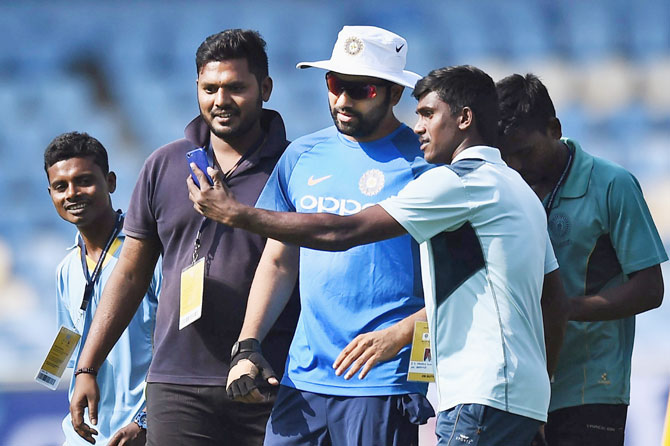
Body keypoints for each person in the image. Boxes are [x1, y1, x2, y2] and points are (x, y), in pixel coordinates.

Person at [188, 65, 567, 446]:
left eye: (428, 114)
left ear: (465, 119)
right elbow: (553, 298)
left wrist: (237, 213)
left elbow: (344, 231)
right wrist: (538, 396)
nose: (418, 127)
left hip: (478, 389)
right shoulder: (518, 189)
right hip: (517, 397)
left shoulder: (456, 182)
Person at [193, 25, 435, 446]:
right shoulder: (302, 154)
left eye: (363, 90)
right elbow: (278, 260)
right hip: (302, 378)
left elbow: (465, 276)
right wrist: (248, 345)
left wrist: (407, 332)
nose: (342, 100)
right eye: (336, 84)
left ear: (396, 93)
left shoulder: (427, 162)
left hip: (382, 378)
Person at [69, 29, 300, 446]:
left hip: (270, 377)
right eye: (209, 88)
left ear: (265, 88)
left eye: (235, 87)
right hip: (177, 385)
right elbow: (130, 274)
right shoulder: (164, 164)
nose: (220, 100)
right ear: (196, 87)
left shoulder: (296, 165)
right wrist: (87, 366)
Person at [496, 73, 667, 446]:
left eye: (524, 152)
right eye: (505, 155)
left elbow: (651, 289)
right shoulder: (503, 189)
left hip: (590, 387)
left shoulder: (612, 184)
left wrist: (567, 309)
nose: (516, 164)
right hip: (518, 387)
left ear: (554, 128)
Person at [44, 131, 161, 446]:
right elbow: (67, 343)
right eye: (60, 186)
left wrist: (148, 420)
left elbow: (180, 344)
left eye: (84, 181)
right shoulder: (66, 269)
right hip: (86, 434)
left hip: (142, 431)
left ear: (110, 181)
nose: (72, 193)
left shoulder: (149, 252)